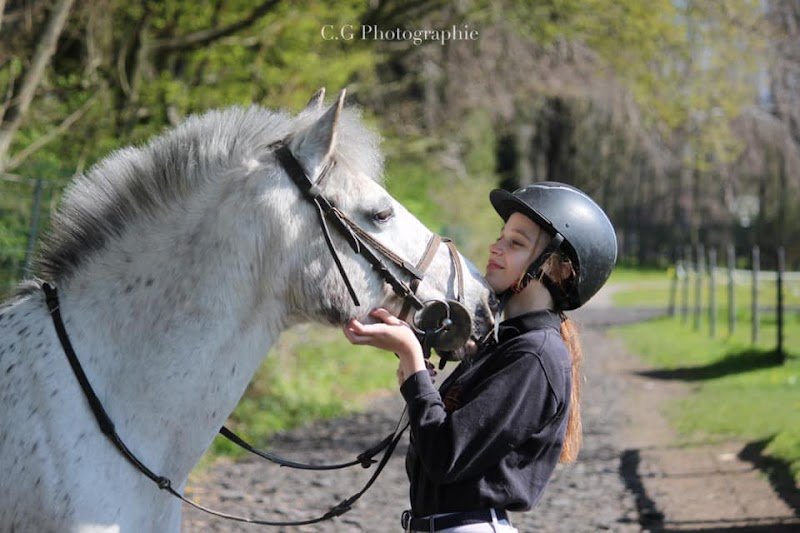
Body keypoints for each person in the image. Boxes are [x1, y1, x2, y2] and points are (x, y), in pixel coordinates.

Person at [344, 181, 617, 532]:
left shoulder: (534, 356)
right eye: (501, 237)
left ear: (559, 270)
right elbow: (436, 442)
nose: (496, 248)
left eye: (516, 243)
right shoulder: (506, 346)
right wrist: (409, 361)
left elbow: (444, 456)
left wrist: (412, 358)